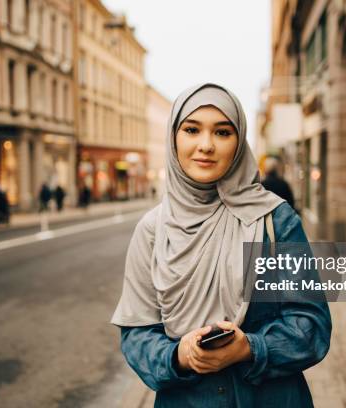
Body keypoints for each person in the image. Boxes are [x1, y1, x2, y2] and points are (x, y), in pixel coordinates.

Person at [111, 84, 331, 407]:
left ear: (239, 142)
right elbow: (137, 334)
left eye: (222, 132)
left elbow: (312, 326)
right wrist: (179, 356)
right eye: (191, 129)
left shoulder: (274, 222)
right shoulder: (153, 231)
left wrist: (250, 348)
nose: (206, 145)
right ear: (174, 138)